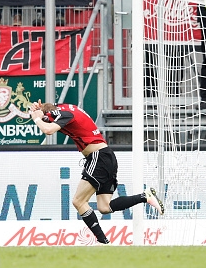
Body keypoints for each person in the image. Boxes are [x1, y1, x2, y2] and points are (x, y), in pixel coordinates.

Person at [28, 100, 164, 245]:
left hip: (98, 157)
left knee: (78, 201)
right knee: (104, 207)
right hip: (106, 157)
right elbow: (51, 114)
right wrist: (40, 111)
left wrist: (36, 117)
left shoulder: (65, 114)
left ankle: (102, 241)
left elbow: (48, 130)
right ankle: (145, 196)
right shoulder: (63, 107)